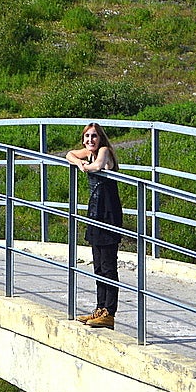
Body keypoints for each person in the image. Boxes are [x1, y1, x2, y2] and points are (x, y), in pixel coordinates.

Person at [65, 123, 123, 329]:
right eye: (87, 137)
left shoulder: (104, 152)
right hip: (95, 212)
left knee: (108, 265)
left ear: (101, 138)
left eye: (94, 136)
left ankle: (109, 312)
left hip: (108, 214)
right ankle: (100, 308)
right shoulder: (88, 152)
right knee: (98, 265)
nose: (90, 140)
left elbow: (97, 166)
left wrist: (83, 166)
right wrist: (78, 162)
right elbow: (69, 154)